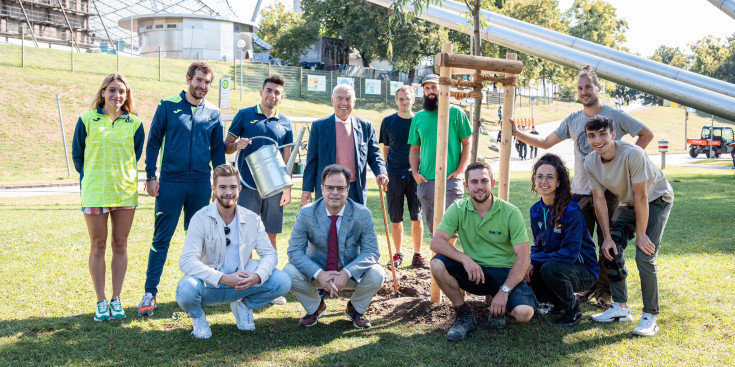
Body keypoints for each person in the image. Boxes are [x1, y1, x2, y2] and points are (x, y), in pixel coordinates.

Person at [510, 65, 654, 309]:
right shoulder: (574, 120)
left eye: (588, 86)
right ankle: (585, 287)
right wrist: (516, 132)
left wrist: (627, 166)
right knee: (577, 246)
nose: (584, 91)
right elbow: (545, 143)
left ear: (598, 87)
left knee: (608, 244)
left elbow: (646, 134)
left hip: (610, 194)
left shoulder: (614, 116)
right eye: (580, 88)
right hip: (579, 195)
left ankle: (605, 291)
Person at [139, 61, 226, 316]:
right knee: (161, 239)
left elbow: (218, 151)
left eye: (207, 82)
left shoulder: (213, 112)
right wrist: (151, 175)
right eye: (199, 80)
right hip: (171, 182)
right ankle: (150, 293)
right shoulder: (167, 105)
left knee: (200, 242)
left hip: (200, 184)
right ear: (188, 79)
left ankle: (196, 293)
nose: (202, 86)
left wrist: (219, 184)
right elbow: (153, 141)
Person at [176, 164, 291, 339]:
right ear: (213, 189)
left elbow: (269, 254)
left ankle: (244, 305)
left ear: (239, 189)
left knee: (282, 281)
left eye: (232, 187)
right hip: (209, 286)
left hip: (242, 283)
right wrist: (222, 278)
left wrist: (258, 276)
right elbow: (186, 261)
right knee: (186, 289)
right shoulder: (200, 218)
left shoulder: (252, 219)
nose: (228, 192)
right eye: (222, 187)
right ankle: (198, 318)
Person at [583, 116, 674, 337]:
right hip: (629, 203)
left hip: (656, 199)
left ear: (613, 135)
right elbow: (599, 200)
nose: (597, 140)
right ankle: (621, 308)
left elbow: (642, 196)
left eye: (602, 134)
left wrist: (641, 235)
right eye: (591, 136)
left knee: (644, 256)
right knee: (610, 250)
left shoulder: (633, 154)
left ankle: (650, 316)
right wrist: (606, 237)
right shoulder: (591, 162)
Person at [430, 162, 536, 341]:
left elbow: (524, 257)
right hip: (475, 273)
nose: (479, 186)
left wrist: (504, 292)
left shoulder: (511, 212)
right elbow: (437, 242)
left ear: (492, 183)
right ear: (466, 186)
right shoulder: (457, 209)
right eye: (474, 182)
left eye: (484, 181)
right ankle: (464, 313)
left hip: (504, 273)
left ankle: (498, 304)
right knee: (437, 264)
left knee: (524, 314)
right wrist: (465, 259)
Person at [72, 73, 144, 321]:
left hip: (124, 192)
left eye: (122, 91)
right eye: (112, 90)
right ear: (102, 92)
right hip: (94, 193)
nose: (117, 95)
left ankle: (117, 299)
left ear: (127, 95)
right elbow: (78, 157)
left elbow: (135, 153)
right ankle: (101, 300)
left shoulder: (134, 123)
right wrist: (93, 177)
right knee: (98, 246)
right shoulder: (87, 120)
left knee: (120, 245)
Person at [285, 164, 385, 329]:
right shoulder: (306, 213)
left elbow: (371, 252)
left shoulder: (362, 214)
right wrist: (319, 274)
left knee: (377, 273)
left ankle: (356, 309)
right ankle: (315, 306)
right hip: (317, 274)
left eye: (340, 188)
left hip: (351, 274)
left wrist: (347, 272)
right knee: (288, 273)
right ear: (322, 188)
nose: (335, 193)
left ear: (348, 189)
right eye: (330, 187)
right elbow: (294, 251)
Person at [225, 75, 293, 305]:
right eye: (269, 91)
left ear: (281, 97)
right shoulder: (244, 115)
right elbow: (226, 145)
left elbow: (287, 157)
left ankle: (269, 284)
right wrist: (236, 145)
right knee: (245, 237)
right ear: (261, 92)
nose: (272, 95)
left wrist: (287, 187)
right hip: (247, 187)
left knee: (270, 235)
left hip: (274, 188)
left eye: (277, 92)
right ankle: (243, 285)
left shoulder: (285, 122)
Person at [525, 154, 600, 327]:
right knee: (525, 270)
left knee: (550, 269)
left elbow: (569, 254)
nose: (544, 181)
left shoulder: (571, 210)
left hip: (583, 270)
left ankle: (572, 311)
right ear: (534, 180)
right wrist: (528, 263)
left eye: (550, 177)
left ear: (558, 182)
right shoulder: (535, 210)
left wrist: (534, 261)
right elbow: (539, 246)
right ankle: (556, 304)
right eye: (540, 176)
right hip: (555, 265)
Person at [301, 84, 388, 206]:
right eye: (339, 98)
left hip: (355, 188)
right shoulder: (319, 126)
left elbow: (374, 155)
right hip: (328, 188)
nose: (344, 103)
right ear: (332, 100)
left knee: (355, 224)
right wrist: (306, 189)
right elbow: (312, 161)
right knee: (329, 224)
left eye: (348, 99)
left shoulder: (366, 126)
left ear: (354, 102)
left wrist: (381, 172)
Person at [409, 74, 472, 235]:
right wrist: (416, 174)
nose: (431, 91)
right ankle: (439, 258)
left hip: (450, 179)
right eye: (427, 88)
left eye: (434, 87)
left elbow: (467, 143)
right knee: (433, 228)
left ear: (443, 88)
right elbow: (414, 149)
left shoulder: (457, 113)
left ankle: (443, 259)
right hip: (427, 180)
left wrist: (459, 171)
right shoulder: (418, 118)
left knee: (452, 228)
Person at [379, 85, 425, 269]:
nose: (404, 102)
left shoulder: (420, 121)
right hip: (394, 176)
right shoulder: (388, 121)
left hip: (416, 176)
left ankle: (418, 255)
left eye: (407, 99)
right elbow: (386, 151)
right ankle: (398, 254)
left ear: (413, 100)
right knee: (395, 218)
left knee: (417, 217)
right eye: (401, 99)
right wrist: (385, 173)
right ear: (396, 101)